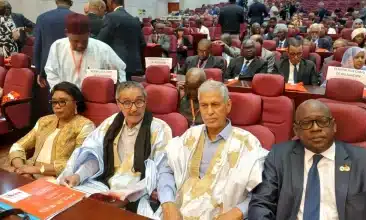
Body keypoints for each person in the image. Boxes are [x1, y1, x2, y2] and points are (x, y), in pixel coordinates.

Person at [248, 99, 366, 220]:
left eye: (322, 121)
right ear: (296, 131)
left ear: (333, 126)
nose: (315, 128)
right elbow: (261, 203)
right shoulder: (279, 156)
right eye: (306, 123)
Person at [158, 80, 269, 219]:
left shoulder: (248, 143)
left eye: (215, 105)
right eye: (204, 105)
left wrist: (238, 212)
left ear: (228, 105)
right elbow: (166, 167)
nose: (209, 112)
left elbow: (263, 190)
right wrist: (168, 203)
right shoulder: (190, 135)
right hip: (179, 213)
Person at [58, 82, 172, 216]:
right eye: (127, 103)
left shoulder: (159, 129)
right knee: (68, 206)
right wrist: (78, 176)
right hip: (104, 186)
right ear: (118, 104)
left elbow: (159, 172)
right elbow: (96, 158)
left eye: (139, 102)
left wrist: (126, 197)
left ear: (145, 102)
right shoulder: (110, 124)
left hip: (138, 193)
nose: (134, 108)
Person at [8, 82, 95, 179]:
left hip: (58, 178)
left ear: (75, 103)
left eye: (62, 101)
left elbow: (79, 161)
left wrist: (37, 169)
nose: (57, 106)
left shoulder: (85, 126)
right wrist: (22, 168)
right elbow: (18, 146)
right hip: (28, 172)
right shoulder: (44, 121)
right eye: (54, 102)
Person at [45, 13, 126, 89]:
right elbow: (51, 71)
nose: (80, 45)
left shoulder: (102, 49)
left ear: (89, 33)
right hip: (67, 98)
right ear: (66, 33)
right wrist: (61, 91)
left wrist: (117, 83)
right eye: (75, 41)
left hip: (94, 99)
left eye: (84, 41)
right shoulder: (57, 47)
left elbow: (120, 70)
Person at [98, 0, 146, 80]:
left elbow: (101, 40)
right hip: (133, 64)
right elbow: (143, 43)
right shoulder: (134, 19)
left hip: (116, 64)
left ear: (111, 2)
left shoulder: (111, 17)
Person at [34, 0, 73, 88]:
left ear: (56, 2)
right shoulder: (78, 18)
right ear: (71, 2)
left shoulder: (42, 18)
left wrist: (39, 71)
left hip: (49, 66)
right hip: (72, 65)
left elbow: (37, 46)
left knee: (54, 97)